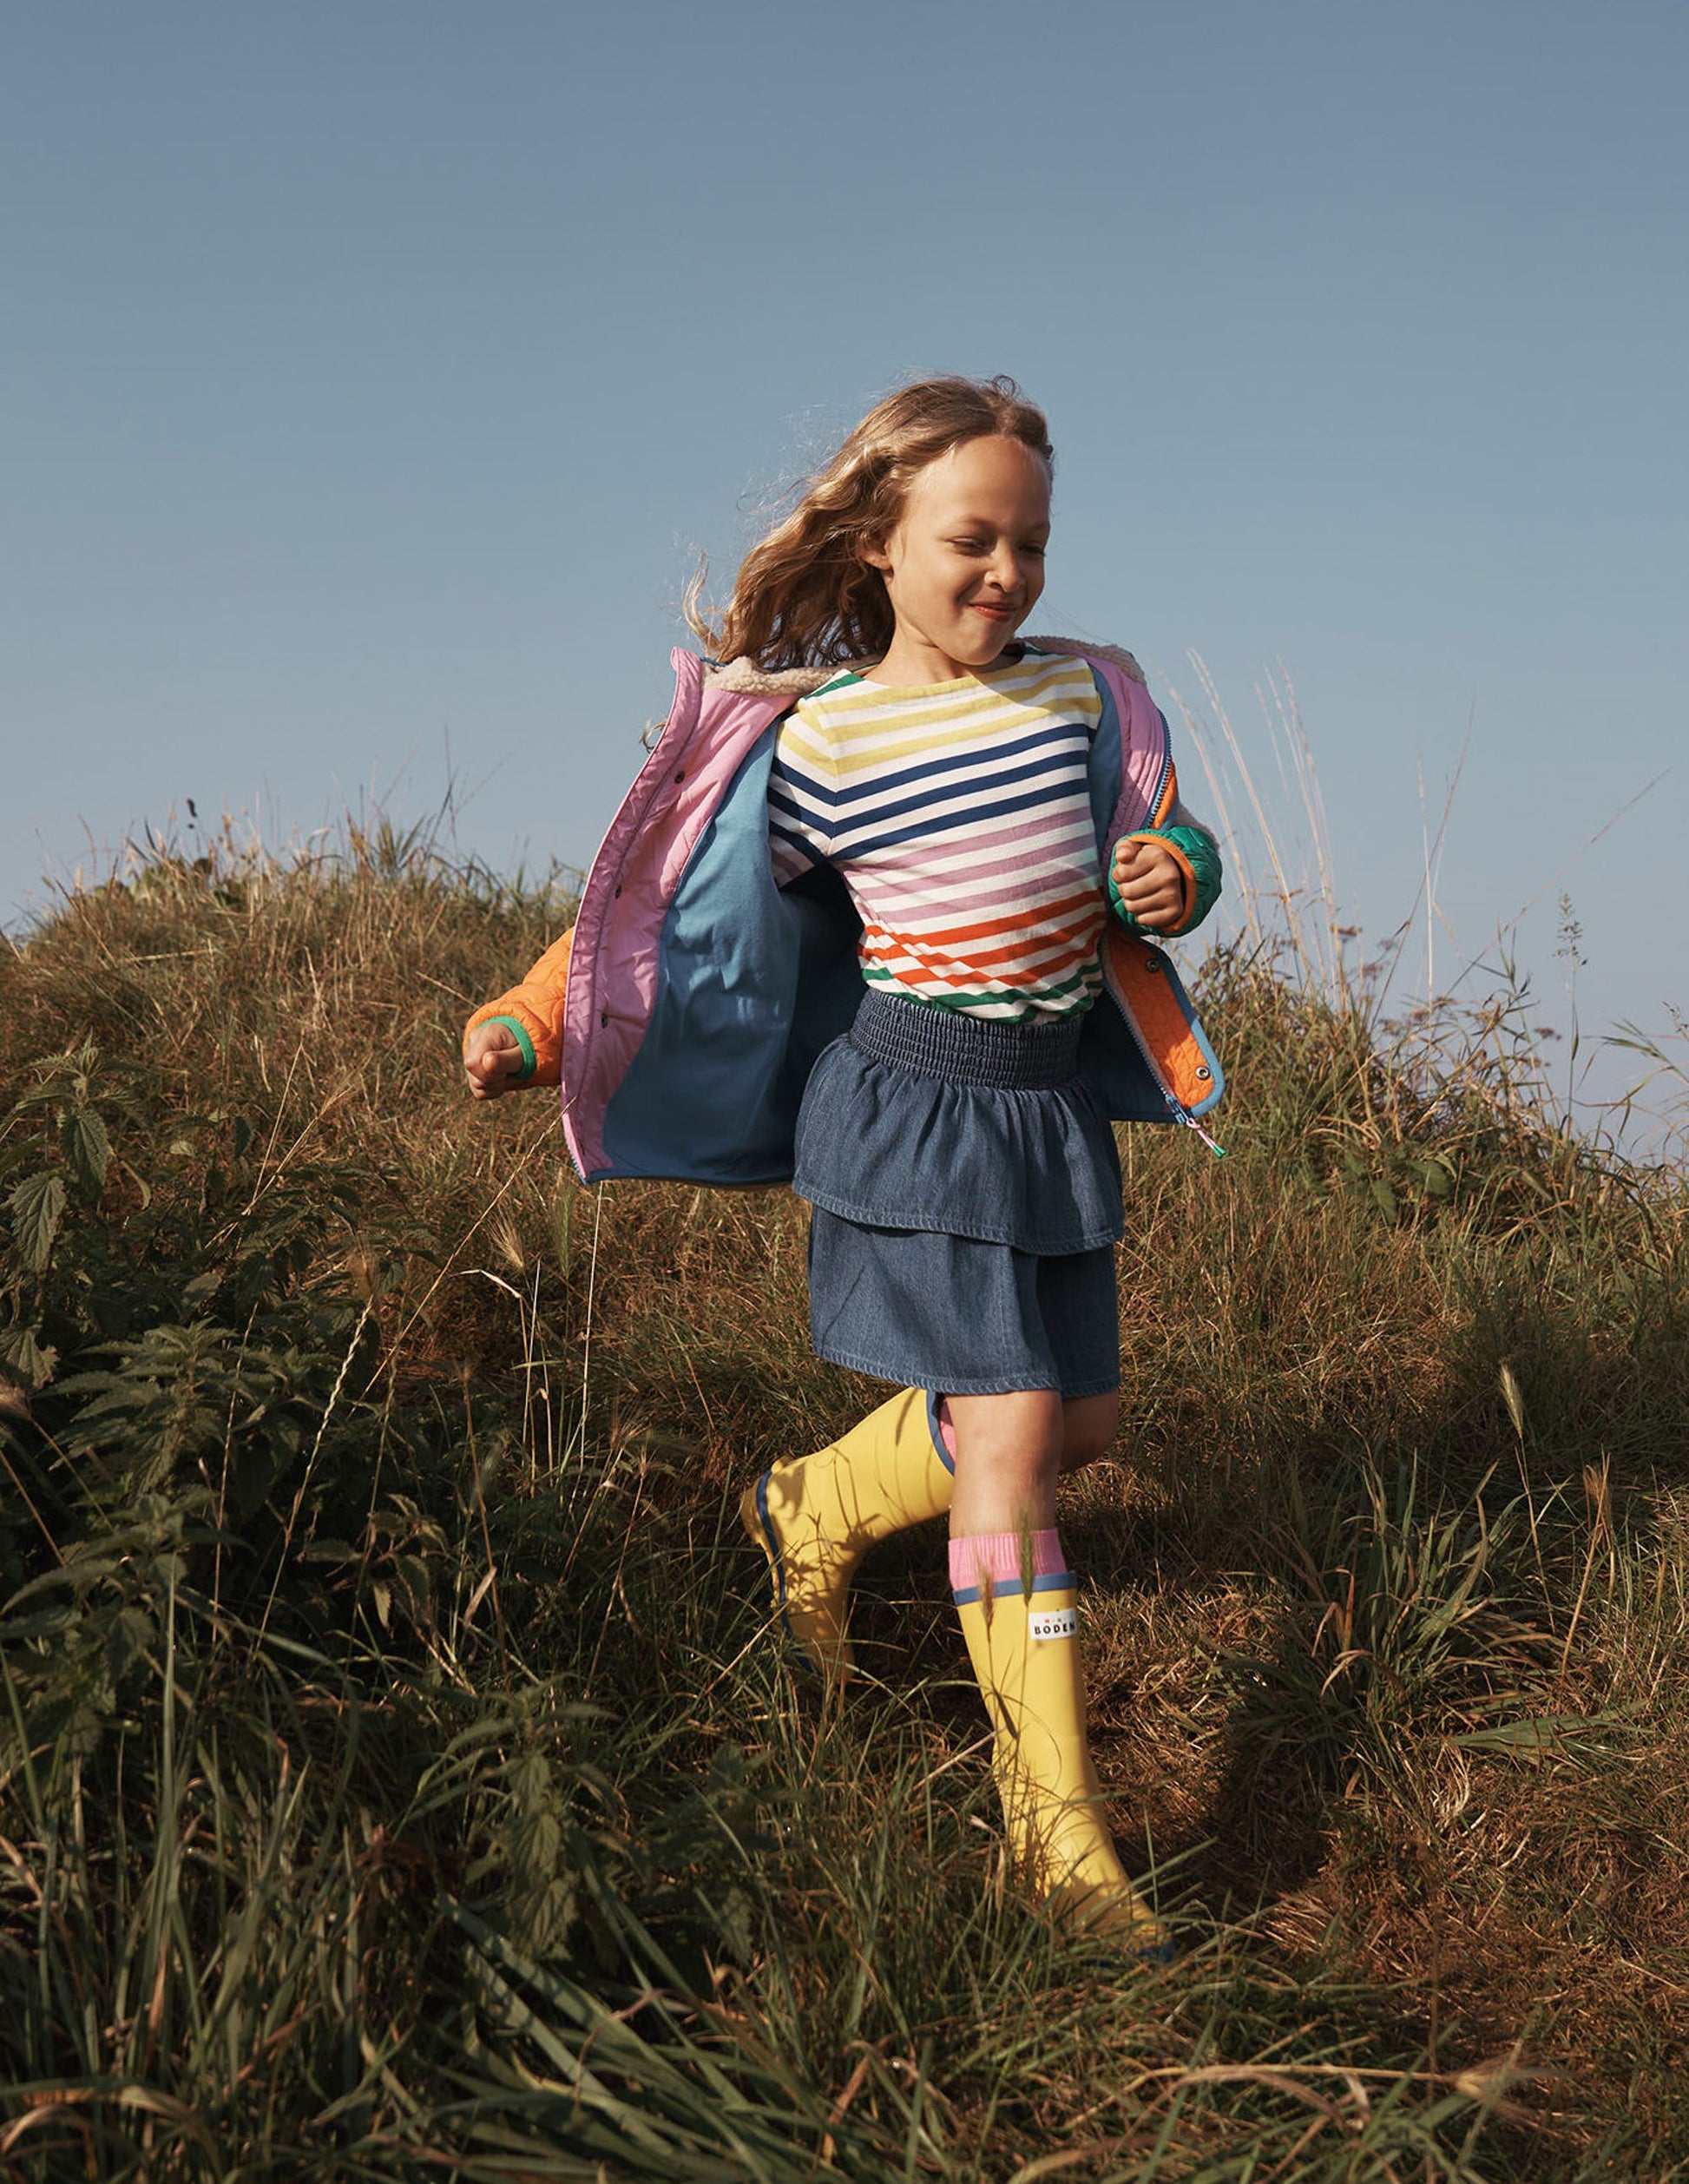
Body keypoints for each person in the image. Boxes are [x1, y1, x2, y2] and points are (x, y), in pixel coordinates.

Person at [463, 376, 1223, 1949]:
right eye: (971, 540)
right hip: (910, 1112)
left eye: (1030, 542)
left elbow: (1162, 846)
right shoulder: (820, 743)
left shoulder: (1085, 697)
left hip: (1040, 1114)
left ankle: (806, 1505)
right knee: (1009, 1435)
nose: (1006, 573)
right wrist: (540, 1016)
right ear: (878, 540)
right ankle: (1058, 1848)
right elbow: (670, 911)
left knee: (1082, 1423)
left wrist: (1178, 874)